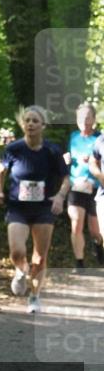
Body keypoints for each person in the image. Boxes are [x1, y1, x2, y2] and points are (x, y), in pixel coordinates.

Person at [0, 106, 71, 313]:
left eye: (35, 121)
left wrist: (60, 197)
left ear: (43, 125)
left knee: (40, 257)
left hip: (43, 208)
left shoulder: (52, 151)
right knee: (17, 251)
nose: (30, 124)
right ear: (23, 124)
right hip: (17, 207)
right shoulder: (14, 149)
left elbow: (65, 179)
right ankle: (20, 271)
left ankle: (35, 297)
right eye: (27, 120)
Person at [64, 102, 104, 268]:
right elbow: (69, 159)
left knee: (96, 231)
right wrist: (66, 159)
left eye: (88, 117)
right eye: (82, 117)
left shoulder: (99, 139)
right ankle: (79, 263)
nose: (85, 121)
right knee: (76, 223)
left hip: (96, 188)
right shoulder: (73, 137)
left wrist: (94, 165)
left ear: (94, 119)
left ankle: (98, 246)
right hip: (76, 186)